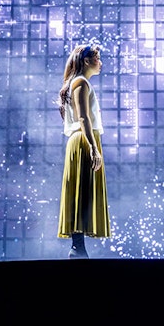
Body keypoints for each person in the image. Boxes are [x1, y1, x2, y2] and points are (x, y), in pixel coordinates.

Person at [56, 42, 111, 258]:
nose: (101, 62)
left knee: (82, 191)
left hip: (84, 139)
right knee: (80, 192)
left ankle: (79, 247)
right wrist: (93, 147)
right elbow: (83, 117)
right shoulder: (80, 82)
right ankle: (77, 248)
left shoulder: (78, 82)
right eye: (97, 57)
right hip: (84, 140)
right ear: (86, 60)